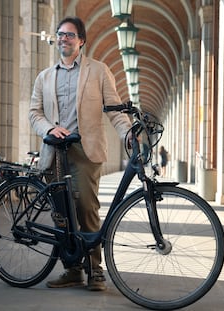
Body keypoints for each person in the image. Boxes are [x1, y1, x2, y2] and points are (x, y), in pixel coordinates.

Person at [29, 16, 132, 291]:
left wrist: (128, 134)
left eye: (70, 35)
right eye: (60, 34)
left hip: (85, 151)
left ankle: (95, 270)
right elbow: (34, 113)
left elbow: (114, 109)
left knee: (87, 208)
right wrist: (49, 128)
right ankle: (72, 269)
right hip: (55, 152)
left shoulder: (98, 71)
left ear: (81, 40)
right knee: (62, 214)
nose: (64, 38)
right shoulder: (44, 77)